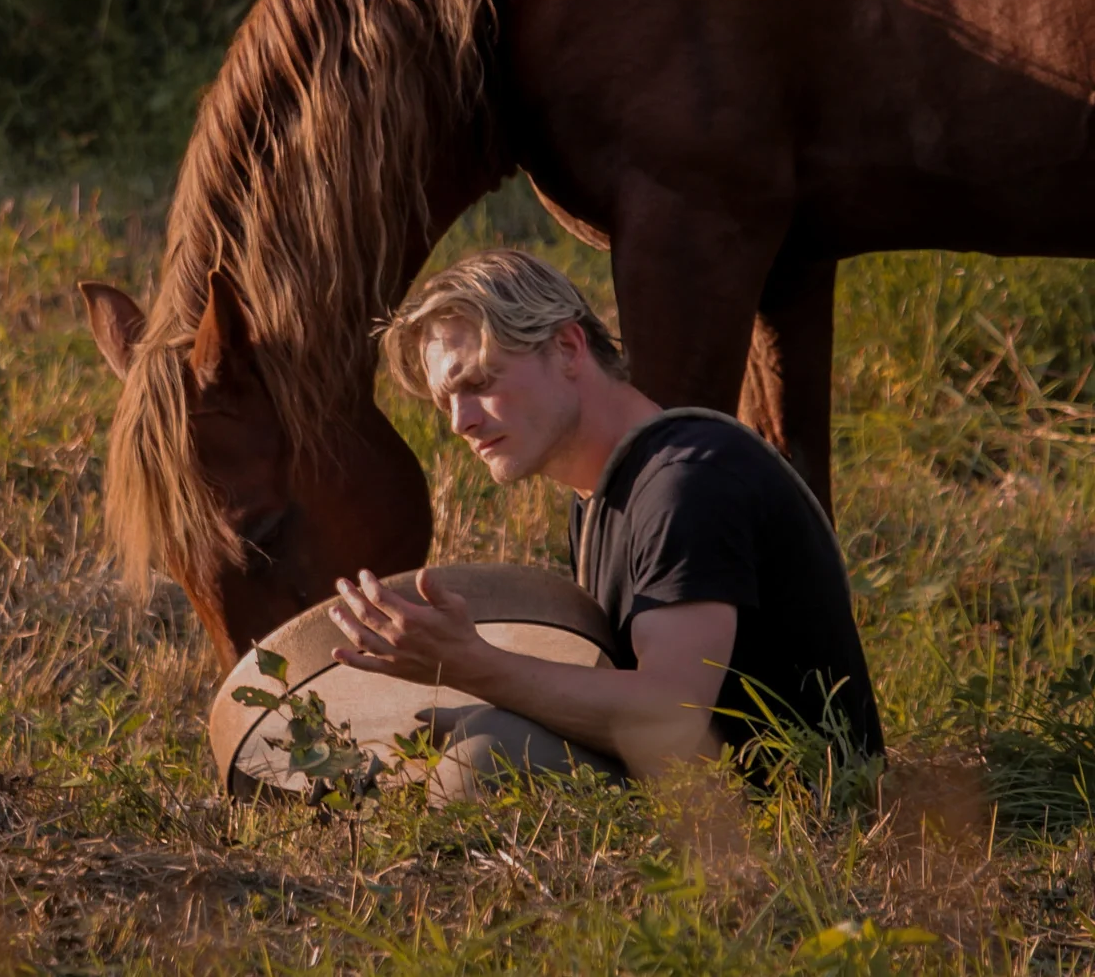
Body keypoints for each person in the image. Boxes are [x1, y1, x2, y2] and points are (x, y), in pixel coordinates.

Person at [328, 250, 884, 801]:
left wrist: (471, 665)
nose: (460, 422)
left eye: (479, 381)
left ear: (567, 347)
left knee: (486, 755)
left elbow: (673, 714)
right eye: (446, 400)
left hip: (792, 811)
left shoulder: (687, 484)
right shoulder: (604, 490)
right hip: (705, 786)